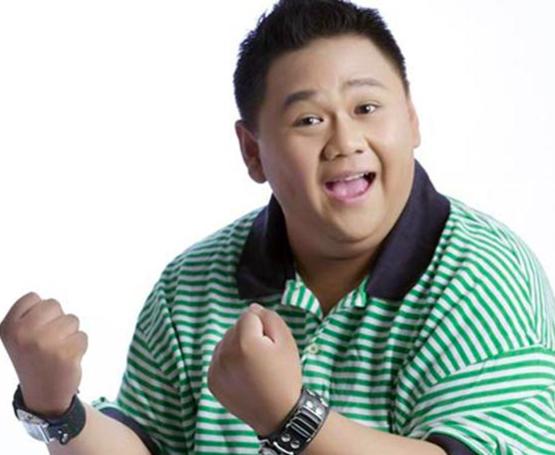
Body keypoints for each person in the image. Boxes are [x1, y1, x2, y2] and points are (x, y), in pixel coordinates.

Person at [1, 0, 554, 454]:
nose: (345, 141)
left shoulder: (484, 274)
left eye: (366, 107)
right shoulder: (189, 287)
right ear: (252, 152)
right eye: (308, 119)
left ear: (411, 119)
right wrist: (57, 409)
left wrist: (291, 417)